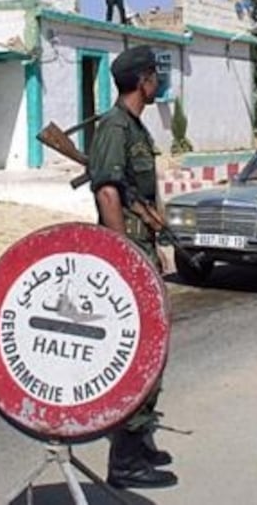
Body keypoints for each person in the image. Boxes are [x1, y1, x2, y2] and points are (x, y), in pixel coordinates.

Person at [87, 44, 176, 489]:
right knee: (140, 350)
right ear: (142, 80)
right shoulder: (113, 128)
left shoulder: (135, 127)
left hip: (142, 245)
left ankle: (141, 443)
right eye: (155, 76)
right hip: (128, 252)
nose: (158, 82)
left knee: (154, 349)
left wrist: (152, 241)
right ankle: (123, 461)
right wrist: (122, 256)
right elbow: (107, 194)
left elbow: (133, 194)